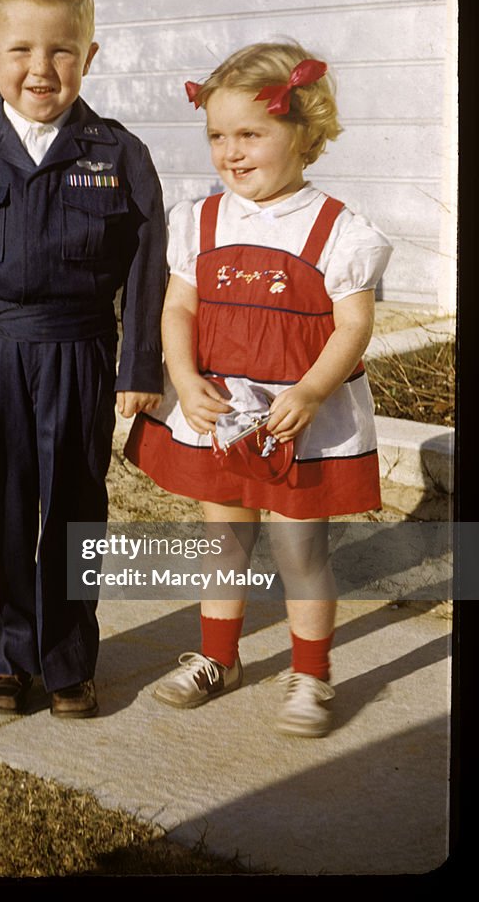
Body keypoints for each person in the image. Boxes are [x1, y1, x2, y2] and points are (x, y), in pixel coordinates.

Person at [0, 0, 165, 719]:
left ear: (88, 56)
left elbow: (149, 266)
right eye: (20, 49)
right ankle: (6, 660)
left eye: (61, 49)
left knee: (76, 507)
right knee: (2, 509)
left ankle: (66, 663)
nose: (41, 68)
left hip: (81, 349)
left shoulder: (119, 156)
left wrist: (139, 365)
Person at [125, 41, 392, 737]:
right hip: (223, 415)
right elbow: (178, 308)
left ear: (303, 134)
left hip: (299, 420)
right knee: (224, 541)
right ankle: (219, 658)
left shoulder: (338, 230)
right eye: (218, 135)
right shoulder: (200, 221)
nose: (231, 152)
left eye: (251, 133)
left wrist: (309, 392)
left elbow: (353, 326)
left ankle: (310, 674)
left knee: (300, 551)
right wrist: (182, 376)